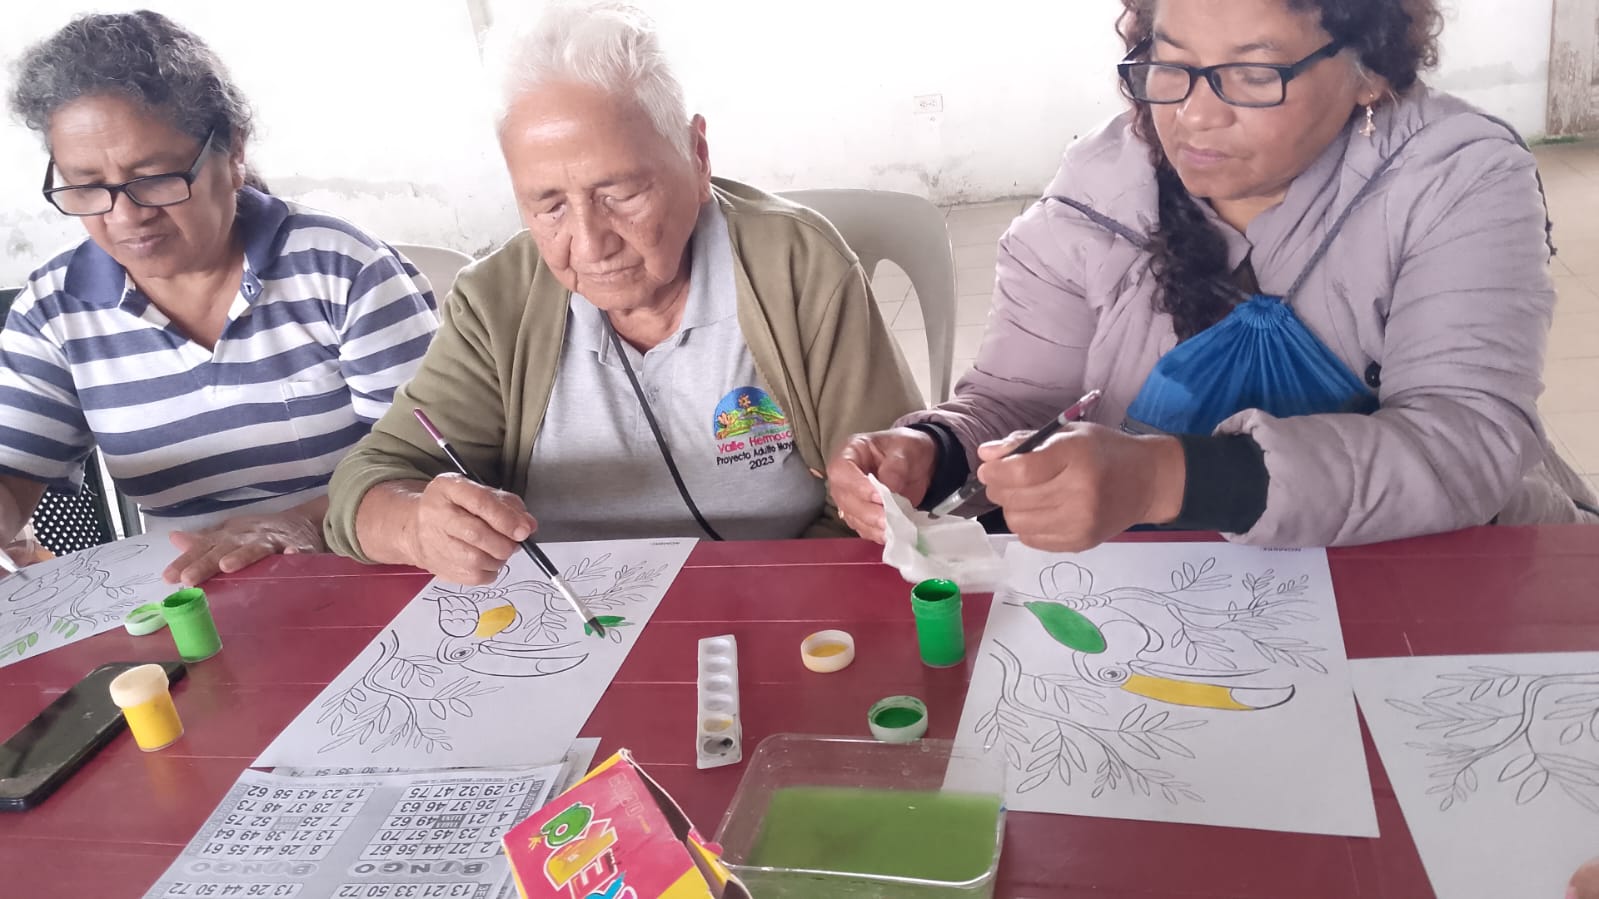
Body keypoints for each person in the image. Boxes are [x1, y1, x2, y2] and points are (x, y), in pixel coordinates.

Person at [830, 0, 1597, 552]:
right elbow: (1016, 401)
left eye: (1254, 74)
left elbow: (1463, 442)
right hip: (1167, 591)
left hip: (1430, 567)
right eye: (1171, 65)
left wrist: (1165, 479)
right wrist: (933, 448)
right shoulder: (1094, 195)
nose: (1195, 116)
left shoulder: (1453, 177)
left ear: (1369, 71)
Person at [323, 0, 920, 585]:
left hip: (778, 606)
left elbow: (890, 491)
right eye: (549, 205)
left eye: (622, 194)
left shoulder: (798, 267)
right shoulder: (496, 302)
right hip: (568, 617)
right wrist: (417, 525)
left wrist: (744, 604)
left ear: (698, 156)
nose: (590, 245)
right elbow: (367, 480)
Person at [2, 11, 439, 584]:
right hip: (185, 588)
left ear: (232, 151)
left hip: (369, 569)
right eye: (86, 187)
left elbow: (429, 462)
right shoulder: (54, 309)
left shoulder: (341, 268)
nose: (125, 216)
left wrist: (296, 523)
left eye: (154, 178)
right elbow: (14, 475)